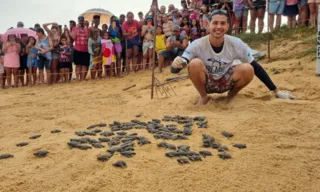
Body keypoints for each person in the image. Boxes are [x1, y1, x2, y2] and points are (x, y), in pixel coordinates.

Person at [171, 10, 296, 105]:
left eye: (222, 23)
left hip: (226, 81)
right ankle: (203, 97)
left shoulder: (236, 43)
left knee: (248, 68)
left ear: (228, 26)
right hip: (207, 83)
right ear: (208, 25)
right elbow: (178, 67)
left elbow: (256, 67)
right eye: (215, 23)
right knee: (194, 63)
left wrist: (276, 91)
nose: (218, 27)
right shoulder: (197, 44)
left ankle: (231, 96)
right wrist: (176, 64)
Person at [71, 16, 90, 81]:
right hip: (77, 49)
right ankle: (77, 78)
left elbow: (88, 38)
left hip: (86, 49)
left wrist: (85, 29)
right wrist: (77, 29)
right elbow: (73, 38)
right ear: (78, 21)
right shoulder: (74, 28)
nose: (81, 21)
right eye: (80, 20)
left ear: (83, 21)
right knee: (78, 65)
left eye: (82, 20)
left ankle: (82, 78)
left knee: (84, 65)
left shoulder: (87, 28)